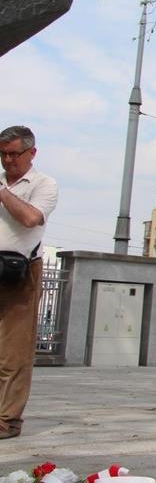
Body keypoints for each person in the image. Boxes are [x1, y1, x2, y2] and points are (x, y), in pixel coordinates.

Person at [0, 126, 58, 440]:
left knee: (13, 352)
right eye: (3, 154)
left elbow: (30, 218)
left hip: (17, 273)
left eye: (14, 154)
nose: (8, 160)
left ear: (31, 153)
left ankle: (7, 420)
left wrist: (2, 192)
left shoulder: (43, 184)